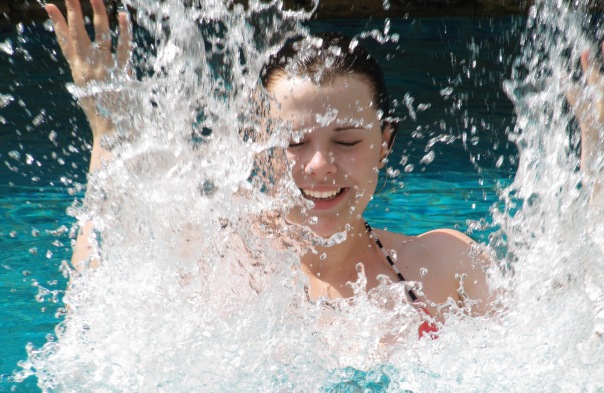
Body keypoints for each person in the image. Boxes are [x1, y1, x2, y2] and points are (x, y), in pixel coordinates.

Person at [46, 0, 603, 336]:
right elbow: (94, 318)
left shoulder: (441, 267)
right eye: (293, 142)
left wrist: (597, 167)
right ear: (259, 146)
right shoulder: (209, 264)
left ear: (385, 144)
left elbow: (571, 342)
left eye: (347, 140)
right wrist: (108, 137)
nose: (319, 166)